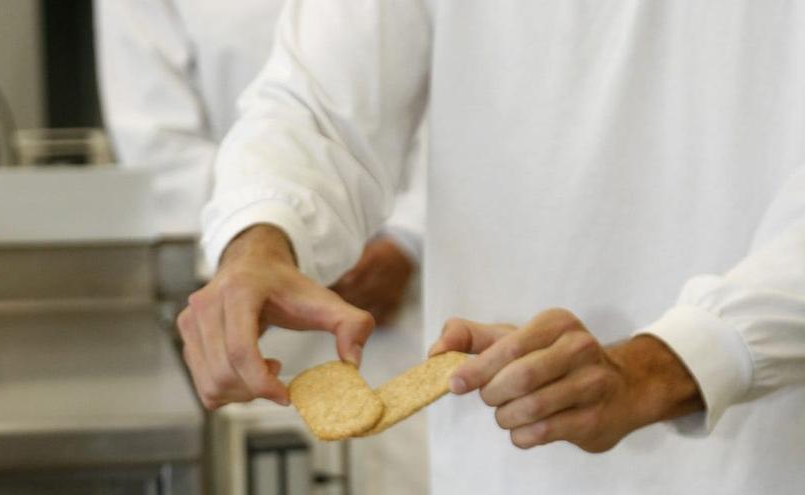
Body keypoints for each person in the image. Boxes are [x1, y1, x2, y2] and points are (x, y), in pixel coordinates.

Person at [177, 1, 805, 494]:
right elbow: (316, 103)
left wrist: (668, 365)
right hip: (501, 460)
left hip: (770, 457)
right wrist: (259, 239)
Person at [94, 1, 429, 493]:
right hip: (262, 317)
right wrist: (269, 234)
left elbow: (474, 98)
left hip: (421, 296)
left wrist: (408, 235)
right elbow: (158, 142)